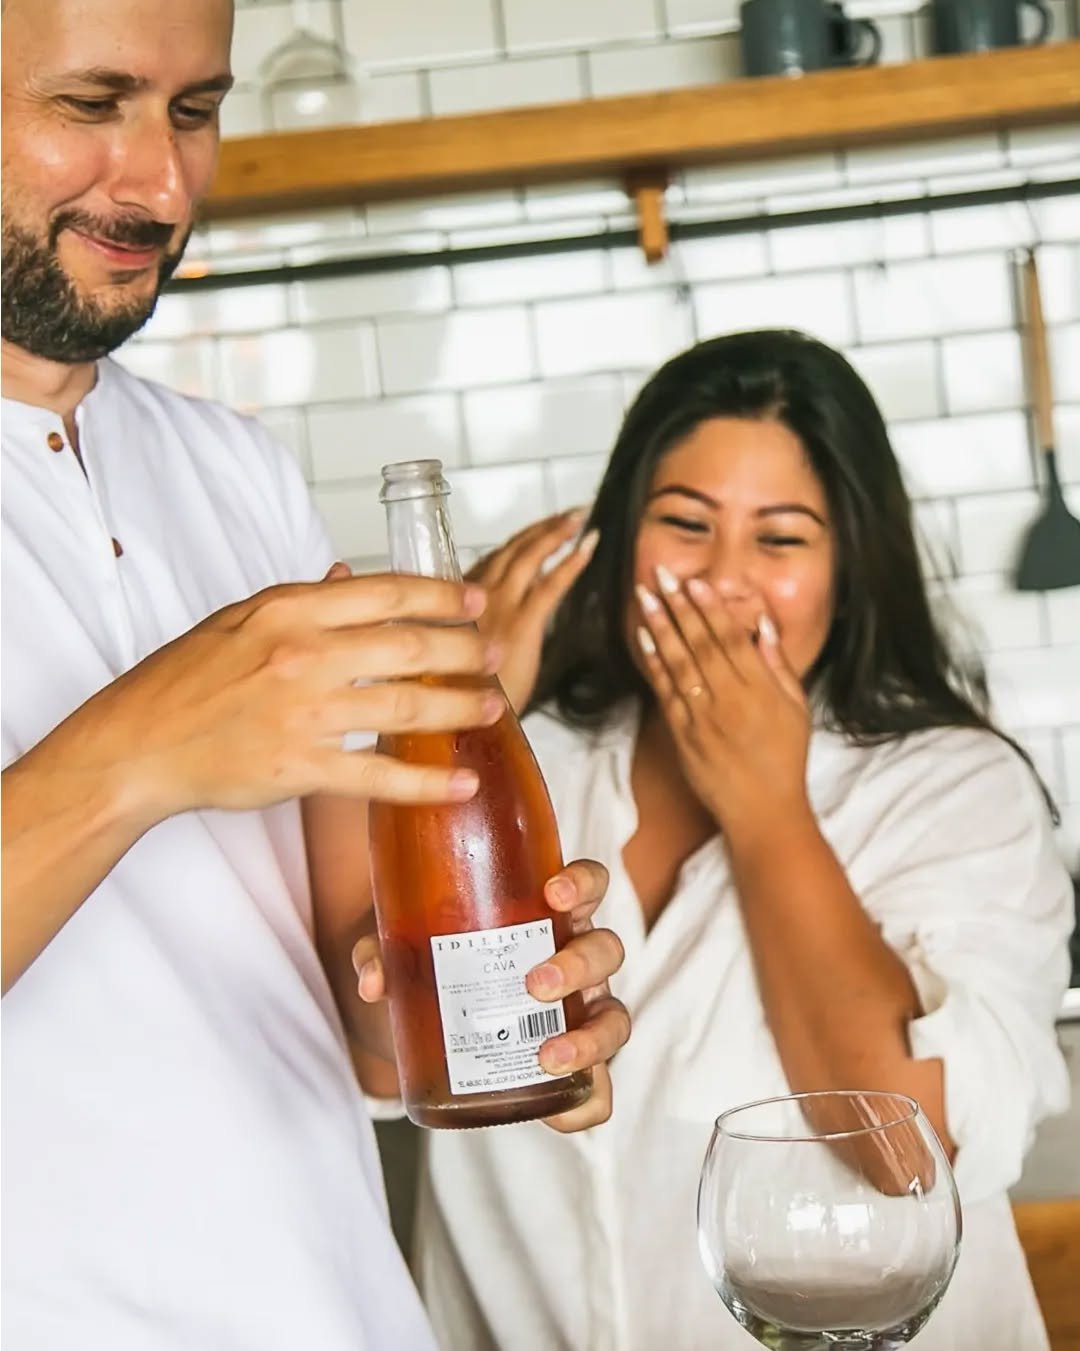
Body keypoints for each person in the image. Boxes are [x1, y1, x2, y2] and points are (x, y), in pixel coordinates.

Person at [0, 2, 629, 1348]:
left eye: (193, 111)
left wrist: (500, 1013)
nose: (162, 184)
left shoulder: (235, 469)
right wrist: (138, 751)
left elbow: (370, 1032)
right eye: (91, 105)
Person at [373, 330, 1072, 1350]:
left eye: (782, 539)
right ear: (617, 544)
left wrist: (767, 810)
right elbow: (375, 1037)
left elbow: (909, 1155)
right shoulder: (532, 765)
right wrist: (467, 707)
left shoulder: (957, 789)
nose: (720, 579)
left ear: (850, 565)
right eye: (684, 523)